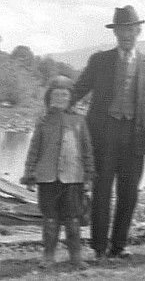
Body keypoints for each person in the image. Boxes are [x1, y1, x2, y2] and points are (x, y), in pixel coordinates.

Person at [72, 5, 145, 262]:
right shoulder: (99, 60)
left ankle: (119, 246)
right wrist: (55, 105)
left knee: (129, 193)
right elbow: (79, 89)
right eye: (121, 29)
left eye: (130, 28)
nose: (126, 34)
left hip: (135, 138)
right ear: (115, 33)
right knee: (102, 192)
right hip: (103, 136)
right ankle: (99, 248)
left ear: (139, 30)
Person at [20, 75, 95, 269]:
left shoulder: (79, 121)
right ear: (49, 97)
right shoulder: (43, 122)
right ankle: (48, 256)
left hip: (73, 177)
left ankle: (76, 256)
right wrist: (29, 173)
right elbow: (34, 150)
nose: (60, 98)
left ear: (71, 98)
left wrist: (89, 174)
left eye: (64, 95)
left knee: (72, 219)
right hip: (47, 177)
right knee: (50, 218)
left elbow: (87, 150)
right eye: (56, 94)